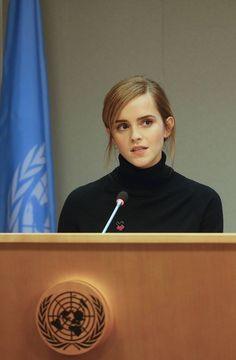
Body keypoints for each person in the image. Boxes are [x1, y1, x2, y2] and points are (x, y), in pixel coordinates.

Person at [58, 75, 223, 233]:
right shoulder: (80, 204)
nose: (135, 136)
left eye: (146, 122)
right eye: (123, 126)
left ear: (167, 127)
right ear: (111, 135)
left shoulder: (203, 202)